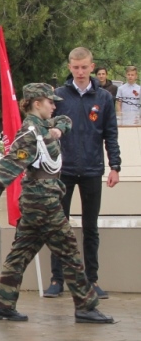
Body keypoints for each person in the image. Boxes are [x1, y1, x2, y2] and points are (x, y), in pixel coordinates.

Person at [0, 83, 113, 324]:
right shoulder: (30, 134)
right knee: (69, 250)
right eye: (50, 102)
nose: (54, 106)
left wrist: (59, 129)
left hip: (42, 199)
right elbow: (11, 163)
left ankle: (2, 304)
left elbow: (66, 119)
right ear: (37, 104)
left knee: (20, 253)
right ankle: (85, 306)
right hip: (42, 201)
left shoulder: (44, 126)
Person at [44, 47, 120, 300]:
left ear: (91, 66)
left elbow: (110, 133)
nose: (80, 72)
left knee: (90, 227)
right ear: (69, 67)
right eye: (75, 67)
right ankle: (57, 278)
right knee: (58, 226)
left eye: (84, 67)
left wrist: (115, 166)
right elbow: (46, 133)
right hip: (62, 171)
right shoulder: (58, 96)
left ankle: (92, 280)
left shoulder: (104, 98)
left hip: (91, 169)